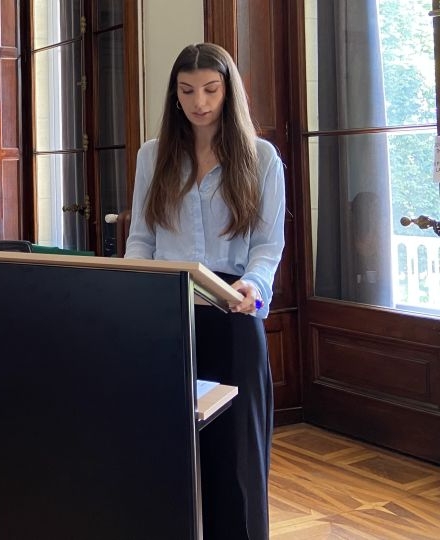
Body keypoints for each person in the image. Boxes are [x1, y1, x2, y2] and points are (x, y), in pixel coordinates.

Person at [124, 43, 285, 539]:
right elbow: (141, 238)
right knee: (172, 445)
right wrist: (132, 290)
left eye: (211, 90)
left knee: (236, 450)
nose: (200, 102)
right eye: (188, 90)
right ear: (175, 94)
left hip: (233, 314)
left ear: (228, 91)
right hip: (169, 316)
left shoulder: (260, 157)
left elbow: (267, 245)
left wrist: (252, 288)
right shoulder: (153, 156)